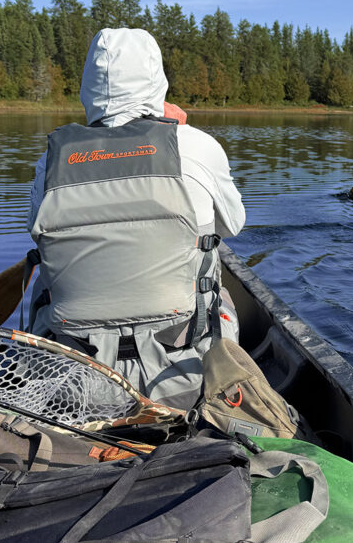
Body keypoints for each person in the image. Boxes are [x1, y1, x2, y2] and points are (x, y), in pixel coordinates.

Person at [25, 28, 245, 409]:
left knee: (41, 282)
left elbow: (39, 235)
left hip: (75, 384)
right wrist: (174, 129)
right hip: (186, 377)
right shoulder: (196, 146)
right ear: (157, 80)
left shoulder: (50, 163)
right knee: (217, 285)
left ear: (87, 87)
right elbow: (232, 226)